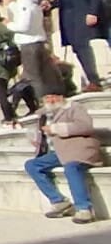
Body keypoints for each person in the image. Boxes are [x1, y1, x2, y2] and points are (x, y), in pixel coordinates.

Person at [25, 89, 104, 223]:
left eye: (53, 97)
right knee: (32, 165)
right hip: (59, 152)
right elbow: (37, 132)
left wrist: (56, 129)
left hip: (80, 149)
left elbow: (85, 126)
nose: (51, 100)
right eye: (47, 97)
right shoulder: (43, 114)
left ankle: (84, 209)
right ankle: (59, 201)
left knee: (71, 167)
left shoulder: (74, 107)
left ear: (62, 96)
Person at [48, 0, 104, 93]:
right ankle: (89, 79)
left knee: (82, 46)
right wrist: (51, 4)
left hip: (82, 12)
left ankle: (94, 80)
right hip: (68, 16)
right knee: (77, 48)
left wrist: (93, 12)